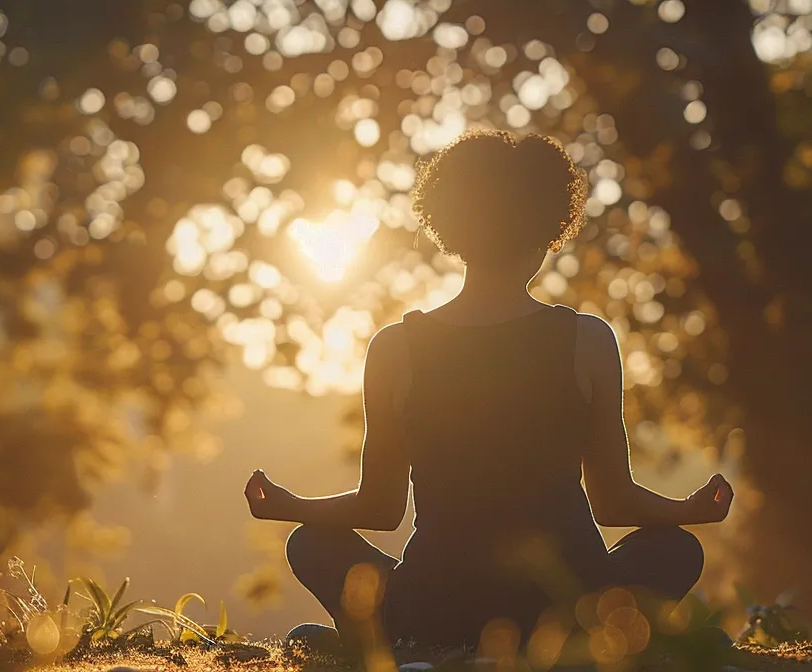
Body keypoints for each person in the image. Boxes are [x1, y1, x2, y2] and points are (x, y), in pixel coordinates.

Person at [244, 129, 733, 649]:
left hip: (435, 605)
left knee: (312, 544)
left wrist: (290, 505)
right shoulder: (588, 340)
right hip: (566, 608)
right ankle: (579, 650)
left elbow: (380, 509)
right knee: (677, 551)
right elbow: (612, 503)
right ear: (548, 229)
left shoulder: (395, 349)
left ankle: (405, 646)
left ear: (452, 228)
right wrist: (687, 512)